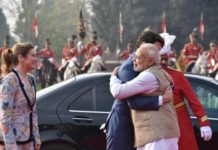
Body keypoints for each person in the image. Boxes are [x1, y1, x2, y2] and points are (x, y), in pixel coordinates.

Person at [105, 29, 171, 150]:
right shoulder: (128, 68)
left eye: (159, 50)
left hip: (140, 127)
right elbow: (133, 101)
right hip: (122, 125)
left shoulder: (150, 66)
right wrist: (162, 99)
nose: (158, 53)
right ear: (143, 45)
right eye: (156, 48)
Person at [159, 32, 212, 150]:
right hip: (158, 124)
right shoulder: (146, 77)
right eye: (160, 59)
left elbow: (194, 101)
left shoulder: (178, 76)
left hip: (180, 122)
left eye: (165, 59)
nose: (163, 62)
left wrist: (204, 123)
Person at [0, 42, 41, 150]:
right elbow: (5, 119)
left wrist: (36, 137)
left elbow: (33, 111)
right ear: (21, 58)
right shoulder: (10, 80)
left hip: (29, 141)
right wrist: (12, 147)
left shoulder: (31, 79)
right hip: (14, 143)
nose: (36, 59)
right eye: (33, 55)